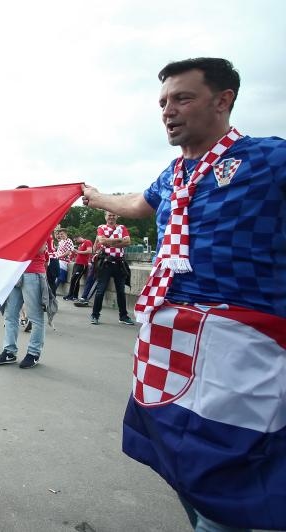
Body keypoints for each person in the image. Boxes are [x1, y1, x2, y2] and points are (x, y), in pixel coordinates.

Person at [82, 57, 285, 531]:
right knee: (182, 456)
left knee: (236, 465)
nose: (168, 111)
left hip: (243, 342)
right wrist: (92, 196)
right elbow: (137, 204)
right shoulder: (173, 174)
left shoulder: (269, 159)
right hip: (170, 340)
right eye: (163, 102)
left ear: (223, 100)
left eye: (182, 98)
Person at [0, 238, 49, 370]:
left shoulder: (41, 223)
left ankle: (33, 353)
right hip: (15, 272)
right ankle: (9, 352)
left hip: (33, 273)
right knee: (10, 315)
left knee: (35, 317)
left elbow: (41, 249)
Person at [87, 212, 134, 325]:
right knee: (100, 290)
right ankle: (95, 315)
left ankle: (123, 316)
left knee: (121, 291)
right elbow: (102, 241)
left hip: (119, 263)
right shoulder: (101, 227)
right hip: (106, 263)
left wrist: (109, 243)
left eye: (113, 215)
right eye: (109, 215)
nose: (111, 217)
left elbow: (128, 242)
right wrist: (119, 241)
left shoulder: (122, 227)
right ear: (105, 217)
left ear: (117, 216)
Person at [64, 235, 92, 301]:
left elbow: (89, 251)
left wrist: (78, 252)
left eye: (76, 240)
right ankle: (72, 295)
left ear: (79, 237)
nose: (76, 242)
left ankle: (73, 295)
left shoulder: (87, 242)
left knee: (75, 279)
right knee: (74, 279)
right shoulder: (80, 245)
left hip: (82, 264)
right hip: (77, 263)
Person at [53, 229, 75, 295]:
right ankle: (52, 290)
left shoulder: (69, 241)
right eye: (60, 234)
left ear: (66, 234)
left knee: (59, 277)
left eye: (62, 234)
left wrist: (58, 257)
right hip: (57, 259)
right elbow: (56, 237)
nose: (60, 235)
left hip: (63, 261)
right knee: (55, 276)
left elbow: (68, 252)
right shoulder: (61, 241)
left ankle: (53, 291)